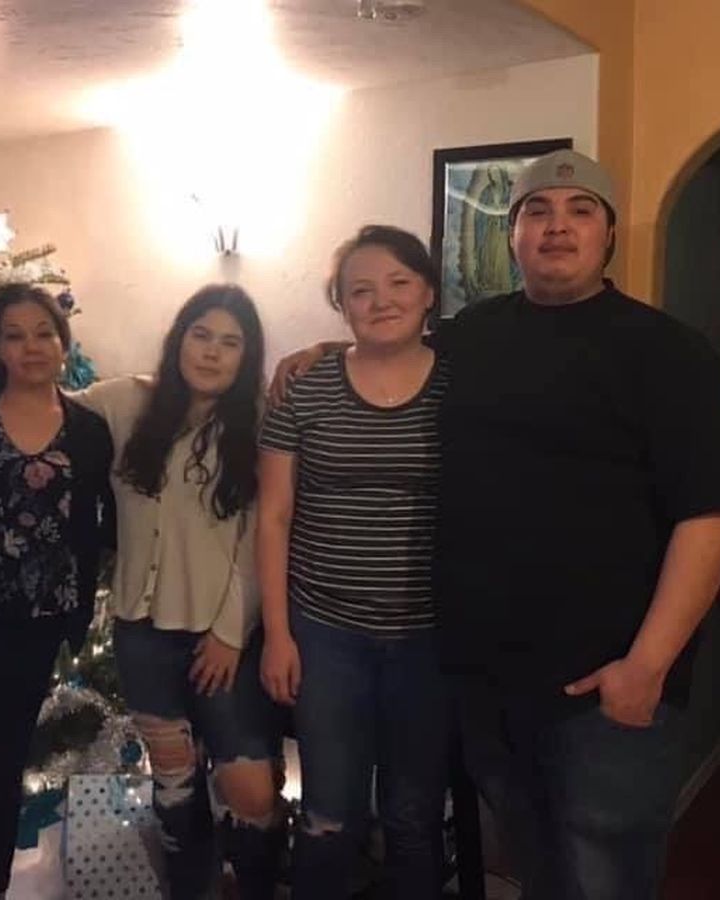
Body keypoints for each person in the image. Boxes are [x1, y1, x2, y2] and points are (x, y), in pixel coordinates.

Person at [274, 151, 720, 900]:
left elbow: (713, 515)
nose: (558, 226)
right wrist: (330, 351)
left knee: (604, 875)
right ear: (513, 235)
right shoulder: (475, 335)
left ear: (609, 234)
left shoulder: (668, 351)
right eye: (537, 212)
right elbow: (394, 349)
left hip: (604, 686)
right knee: (538, 868)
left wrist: (648, 665)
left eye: (580, 210)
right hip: (487, 683)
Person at [0, 284, 285, 899]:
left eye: (231, 343)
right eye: (201, 335)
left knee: (250, 790)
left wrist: (230, 633)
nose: (211, 352)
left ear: (247, 355)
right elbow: (37, 397)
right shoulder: (125, 402)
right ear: (179, 340)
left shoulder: (258, 425)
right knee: (173, 783)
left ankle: (257, 884)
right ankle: (190, 889)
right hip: (142, 632)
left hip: (222, 635)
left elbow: (261, 537)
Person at [258, 225, 451, 898]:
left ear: (429, 293)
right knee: (329, 814)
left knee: (413, 816)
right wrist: (278, 634)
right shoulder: (303, 386)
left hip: (431, 638)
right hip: (325, 633)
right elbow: (273, 517)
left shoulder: (464, 385)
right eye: (360, 290)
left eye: (400, 282)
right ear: (341, 304)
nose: (382, 300)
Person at [0, 283, 115, 900]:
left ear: (63, 343)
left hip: (39, 625)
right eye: (14, 335)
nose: (31, 347)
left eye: (44, 333)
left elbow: (99, 520)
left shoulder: (89, 429)